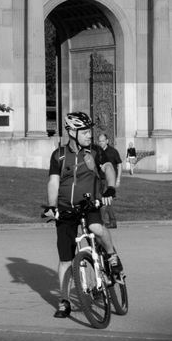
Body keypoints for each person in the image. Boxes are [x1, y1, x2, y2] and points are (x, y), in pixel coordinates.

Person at [47, 112, 121, 319]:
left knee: (96, 228)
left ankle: (111, 255)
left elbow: (108, 168)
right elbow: (53, 182)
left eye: (90, 131)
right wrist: (52, 207)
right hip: (66, 208)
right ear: (72, 132)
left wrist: (111, 189)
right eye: (86, 132)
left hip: (90, 204)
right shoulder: (58, 155)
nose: (90, 135)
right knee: (65, 260)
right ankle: (64, 301)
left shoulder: (96, 152)